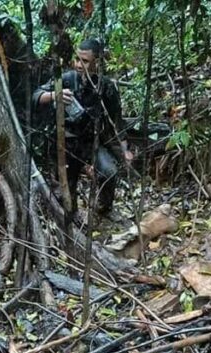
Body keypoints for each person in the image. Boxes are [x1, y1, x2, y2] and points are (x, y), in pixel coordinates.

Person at [33, 38, 133, 219]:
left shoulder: (106, 87)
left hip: (92, 141)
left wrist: (125, 150)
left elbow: (116, 121)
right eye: (77, 59)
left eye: (85, 61)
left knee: (109, 172)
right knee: (67, 189)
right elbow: (36, 96)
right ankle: (72, 215)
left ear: (97, 62)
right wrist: (54, 95)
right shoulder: (66, 79)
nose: (79, 65)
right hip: (67, 143)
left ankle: (104, 208)